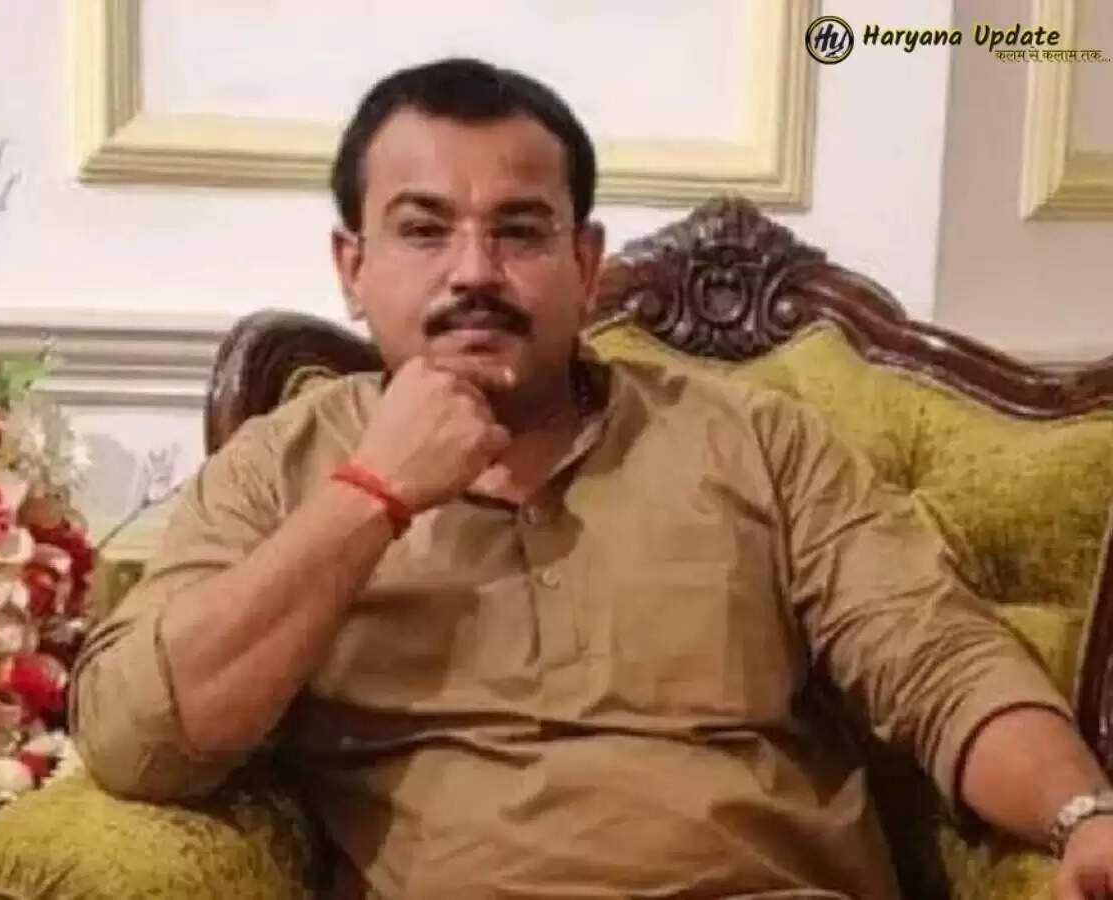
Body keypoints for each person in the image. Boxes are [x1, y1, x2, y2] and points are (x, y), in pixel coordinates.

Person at [72, 58, 1113, 899]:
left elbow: (939, 660)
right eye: (424, 229)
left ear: (584, 262)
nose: (474, 271)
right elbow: (136, 737)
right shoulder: (283, 462)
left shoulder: (755, 440)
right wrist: (373, 495)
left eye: (519, 230)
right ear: (354, 266)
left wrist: (1083, 817)